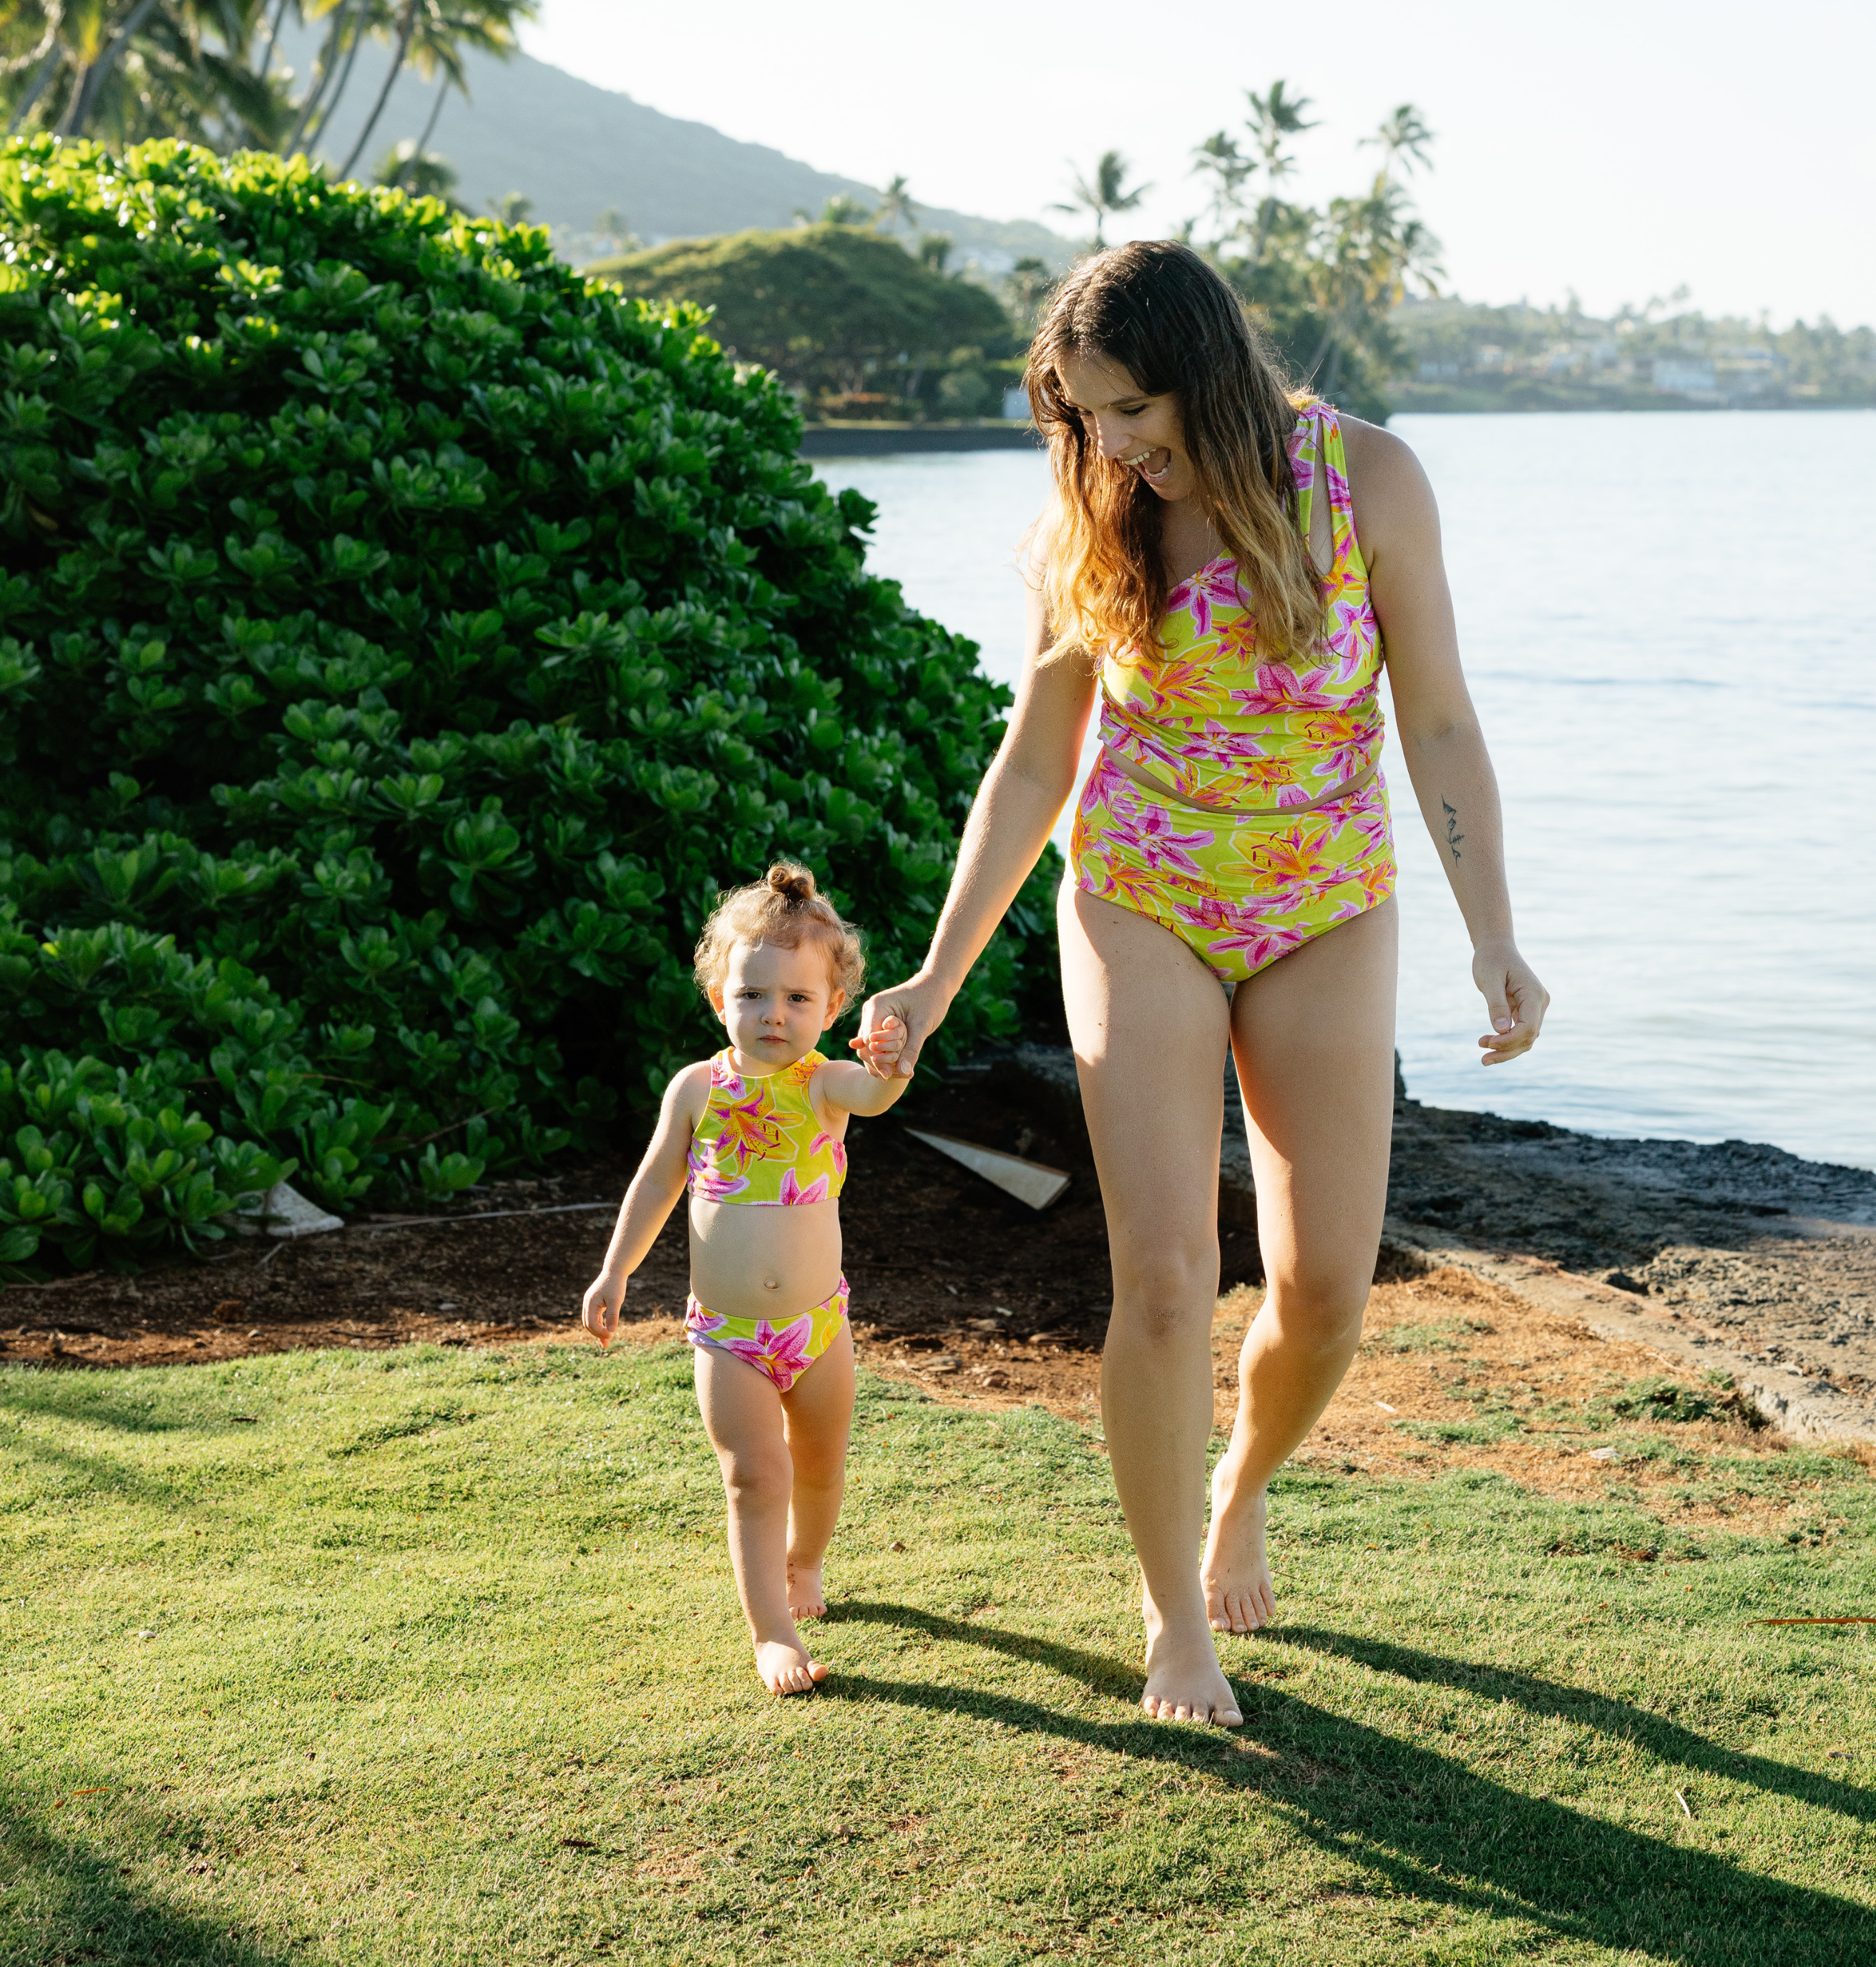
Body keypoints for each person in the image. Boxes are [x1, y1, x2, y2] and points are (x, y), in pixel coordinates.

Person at [857, 242, 1549, 1727]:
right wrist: (932, 976)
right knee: (1166, 1279)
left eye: (1131, 410)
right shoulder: (1099, 510)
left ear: (1213, 375)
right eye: (1084, 415)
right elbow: (1036, 762)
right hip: (1143, 898)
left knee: (1323, 1293)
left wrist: (1493, 930)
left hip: (1326, 906)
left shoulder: (1368, 482)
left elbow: (1433, 717)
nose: (1112, 445)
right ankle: (1177, 1620)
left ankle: (1242, 1488)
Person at [582, 863, 908, 1695]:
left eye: (798, 1000)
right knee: (754, 1475)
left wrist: (893, 1058)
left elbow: (875, 1093)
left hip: (819, 1329)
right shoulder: (698, 1089)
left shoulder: (825, 1085)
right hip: (728, 1336)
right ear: (719, 998)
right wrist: (616, 1269)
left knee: (822, 1467)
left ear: (831, 1011)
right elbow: (657, 1184)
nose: (773, 1015)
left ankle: (805, 1565)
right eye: (753, 995)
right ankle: (771, 1629)